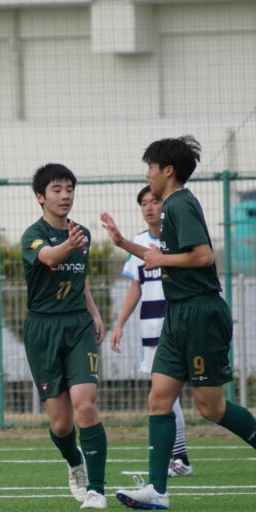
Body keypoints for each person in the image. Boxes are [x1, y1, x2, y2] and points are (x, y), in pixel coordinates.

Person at [100, 136, 256, 510]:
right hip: (178, 314)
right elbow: (160, 255)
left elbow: (203, 256)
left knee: (210, 407)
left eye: (150, 168)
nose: (147, 175)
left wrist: (162, 260)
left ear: (168, 171)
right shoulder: (171, 207)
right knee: (159, 399)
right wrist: (123, 242)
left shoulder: (181, 203)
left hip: (202, 313)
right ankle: (157, 490)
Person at [22, 163, 109, 509]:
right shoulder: (33, 235)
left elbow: (80, 280)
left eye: (69, 189)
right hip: (42, 330)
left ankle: (97, 490)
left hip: (78, 326)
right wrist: (69, 245)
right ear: (40, 197)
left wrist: (95, 313)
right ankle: (75, 462)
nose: (65, 196)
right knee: (60, 425)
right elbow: (48, 257)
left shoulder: (81, 233)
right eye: (56, 190)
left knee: (85, 404)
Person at [106, 186, 192, 477]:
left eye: (154, 201)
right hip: (151, 330)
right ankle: (178, 458)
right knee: (163, 396)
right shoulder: (139, 243)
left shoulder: (177, 239)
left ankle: (179, 458)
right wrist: (119, 324)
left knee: (168, 395)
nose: (149, 208)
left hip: (178, 327)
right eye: (143, 203)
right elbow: (136, 287)